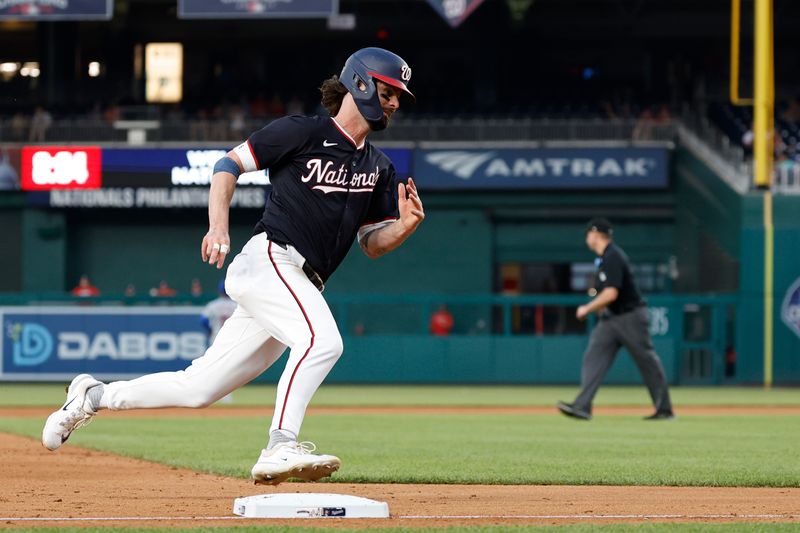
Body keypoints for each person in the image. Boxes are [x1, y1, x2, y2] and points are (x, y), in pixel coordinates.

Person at [42, 47, 424, 486]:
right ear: (360, 82)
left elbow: (371, 245)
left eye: (398, 95)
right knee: (322, 342)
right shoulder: (303, 132)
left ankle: (93, 396)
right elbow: (229, 164)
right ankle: (280, 443)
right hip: (269, 260)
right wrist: (217, 227)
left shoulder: (379, 166)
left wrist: (406, 226)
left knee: (198, 388)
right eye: (389, 90)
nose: (394, 102)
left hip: (298, 283)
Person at [557, 218, 674, 421]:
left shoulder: (613, 256)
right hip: (611, 319)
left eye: (588, 234)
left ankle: (664, 409)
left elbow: (611, 293)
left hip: (630, 316)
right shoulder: (604, 258)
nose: (587, 238)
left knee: (647, 361)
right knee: (593, 356)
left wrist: (587, 308)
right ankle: (582, 405)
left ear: (594, 234)